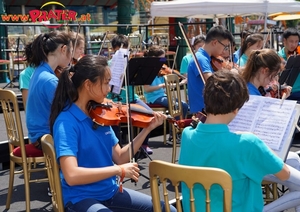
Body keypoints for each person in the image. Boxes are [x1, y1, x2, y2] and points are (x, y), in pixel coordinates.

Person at [49, 54, 176, 212]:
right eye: (106, 83)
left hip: (110, 192)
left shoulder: (101, 114)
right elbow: (72, 175)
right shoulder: (66, 122)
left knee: (168, 209)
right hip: (80, 198)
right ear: (88, 85)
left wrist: (147, 129)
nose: (109, 90)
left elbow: (121, 157)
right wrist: (118, 170)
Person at [179, 70, 292, 212]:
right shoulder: (248, 143)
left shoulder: (187, 135)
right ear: (236, 109)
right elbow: (284, 174)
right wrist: (260, 144)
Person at [242, 49, 300, 212]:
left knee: (295, 159)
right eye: (274, 76)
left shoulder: (253, 89)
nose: (274, 81)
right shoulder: (249, 95)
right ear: (264, 70)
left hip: (258, 153)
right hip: (251, 159)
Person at [107, 34, 154, 154]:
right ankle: (118, 151)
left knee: (150, 115)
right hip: (115, 100)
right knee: (112, 121)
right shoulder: (109, 65)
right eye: (118, 50)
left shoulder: (132, 63)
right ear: (113, 50)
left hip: (132, 98)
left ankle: (143, 144)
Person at [25, 31, 73, 149]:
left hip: (37, 135)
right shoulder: (49, 80)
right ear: (63, 49)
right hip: (46, 138)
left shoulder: (39, 71)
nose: (72, 56)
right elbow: (68, 109)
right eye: (71, 51)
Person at [143, 45, 189, 143]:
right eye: (161, 58)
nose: (163, 61)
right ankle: (174, 136)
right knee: (175, 106)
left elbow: (167, 87)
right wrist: (162, 85)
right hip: (153, 98)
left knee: (184, 105)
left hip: (162, 95)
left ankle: (178, 131)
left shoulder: (160, 69)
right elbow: (147, 89)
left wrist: (180, 83)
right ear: (154, 58)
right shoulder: (147, 70)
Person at [187, 25, 233, 114]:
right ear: (215, 42)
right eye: (225, 46)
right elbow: (212, 82)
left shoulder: (207, 57)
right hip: (203, 111)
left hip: (209, 107)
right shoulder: (201, 58)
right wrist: (230, 74)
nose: (224, 51)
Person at [278, 28, 300, 101]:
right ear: (284, 40)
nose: (294, 44)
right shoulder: (277, 56)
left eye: (296, 41)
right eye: (291, 41)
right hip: (284, 93)